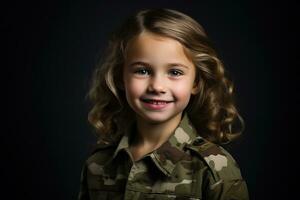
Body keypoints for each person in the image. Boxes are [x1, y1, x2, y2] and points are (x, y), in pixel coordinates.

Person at [78, 8, 249, 200]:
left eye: (175, 72)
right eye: (142, 71)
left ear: (196, 83)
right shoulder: (98, 164)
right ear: (120, 77)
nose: (157, 86)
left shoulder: (214, 168)